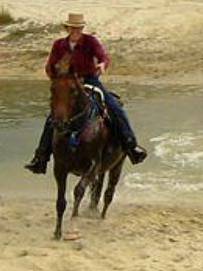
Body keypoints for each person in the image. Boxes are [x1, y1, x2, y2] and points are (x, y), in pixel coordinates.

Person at [25, 13, 148, 174]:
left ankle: (131, 146)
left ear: (82, 28)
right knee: (53, 117)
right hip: (68, 84)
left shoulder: (91, 41)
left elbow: (103, 56)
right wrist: (57, 79)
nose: (76, 30)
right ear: (68, 28)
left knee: (115, 107)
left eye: (79, 28)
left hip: (90, 81)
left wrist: (103, 64)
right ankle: (41, 157)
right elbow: (50, 66)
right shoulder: (58, 45)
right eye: (73, 28)